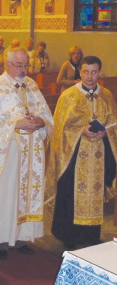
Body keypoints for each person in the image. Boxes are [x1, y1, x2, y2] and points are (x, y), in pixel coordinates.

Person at [0, 48, 53, 260]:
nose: (23, 69)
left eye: (26, 65)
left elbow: (46, 115)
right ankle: (0, 240)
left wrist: (41, 122)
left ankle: (20, 238)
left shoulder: (32, 85)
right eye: (19, 65)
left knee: (24, 196)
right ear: (8, 64)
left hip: (31, 156)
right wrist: (16, 123)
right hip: (6, 155)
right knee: (6, 196)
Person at [47, 56, 117, 250]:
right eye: (86, 71)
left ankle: (92, 234)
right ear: (80, 72)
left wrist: (106, 132)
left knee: (95, 193)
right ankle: (69, 235)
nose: (89, 76)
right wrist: (81, 131)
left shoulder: (107, 96)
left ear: (100, 73)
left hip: (99, 154)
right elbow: (59, 128)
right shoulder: (68, 96)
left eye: (94, 72)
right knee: (71, 195)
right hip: (74, 156)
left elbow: (114, 126)